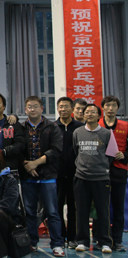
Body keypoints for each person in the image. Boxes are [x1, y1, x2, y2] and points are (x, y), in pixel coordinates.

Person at [20, 96, 64, 256]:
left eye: (35, 106)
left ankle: (57, 244)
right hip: (27, 176)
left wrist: (36, 163)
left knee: (52, 212)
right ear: (25, 110)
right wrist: (28, 165)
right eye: (29, 107)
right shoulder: (21, 127)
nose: (32, 109)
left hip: (48, 176)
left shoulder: (52, 127)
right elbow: (17, 148)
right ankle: (32, 242)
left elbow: (56, 150)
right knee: (30, 212)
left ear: (41, 108)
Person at [72, 103, 116, 253]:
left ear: (99, 116)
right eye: (87, 112)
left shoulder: (107, 133)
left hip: (101, 178)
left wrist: (101, 167)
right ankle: (82, 241)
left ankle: (105, 242)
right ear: (83, 115)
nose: (89, 114)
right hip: (81, 178)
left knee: (102, 212)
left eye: (93, 112)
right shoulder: (77, 132)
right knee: (81, 211)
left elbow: (111, 155)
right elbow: (75, 151)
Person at [97, 95, 128, 252]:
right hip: (99, 170)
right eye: (107, 105)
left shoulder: (125, 126)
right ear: (103, 107)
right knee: (100, 207)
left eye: (113, 105)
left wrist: (125, 155)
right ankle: (101, 239)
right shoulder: (97, 124)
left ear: (118, 108)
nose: (110, 108)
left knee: (118, 208)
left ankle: (117, 240)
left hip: (119, 170)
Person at [54, 96, 82, 249]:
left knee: (73, 207)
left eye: (66, 106)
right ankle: (60, 237)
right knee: (57, 207)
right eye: (60, 107)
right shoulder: (52, 127)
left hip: (75, 174)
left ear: (72, 109)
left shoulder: (80, 127)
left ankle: (72, 238)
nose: (63, 109)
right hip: (57, 174)